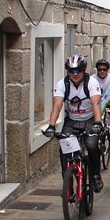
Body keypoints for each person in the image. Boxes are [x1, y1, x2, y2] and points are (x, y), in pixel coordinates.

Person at [44, 54, 104, 192]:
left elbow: (96, 103)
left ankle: (95, 175)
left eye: (78, 71)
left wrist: (98, 123)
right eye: (72, 71)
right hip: (71, 120)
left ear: (84, 70)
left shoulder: (91, 83)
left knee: (91, 145)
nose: (75, 74)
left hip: (89, 120)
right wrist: (51, 126)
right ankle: (68, 183)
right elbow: (57, 106)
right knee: (65, 150)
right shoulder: (62, 84)